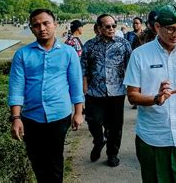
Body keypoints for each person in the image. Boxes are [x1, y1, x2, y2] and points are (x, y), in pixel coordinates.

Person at [124, 5, 176, 182]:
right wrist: (155, 99)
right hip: (153, 135)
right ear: (157, 27)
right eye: (170, 29)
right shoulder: (140, 55)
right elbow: (132, 95)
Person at [8, 9, 84, 182]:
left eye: (46, 23)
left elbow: (75, 85)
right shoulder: (22, 54)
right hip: (31, 117)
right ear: (32, 28)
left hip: (59, 115)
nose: (42, 28)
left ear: (55, 25)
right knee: (37, 161)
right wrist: (16, 117)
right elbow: (16, 87)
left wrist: (78, 112)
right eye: (36, 25)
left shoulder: (68, 52)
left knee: (55, 160)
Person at [81, 14, 132, 167]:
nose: (111, 29)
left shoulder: (123, 44)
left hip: (117, 91)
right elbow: (83, 67)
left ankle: (112, 154)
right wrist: (84, 86)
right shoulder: (90, 45)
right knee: (93, 121)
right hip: (94, 91)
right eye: (107, 26)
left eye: (113, 26)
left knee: (115, 126)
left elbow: (130, 67)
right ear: (99, 28)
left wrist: (131, 88)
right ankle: (99, 141)